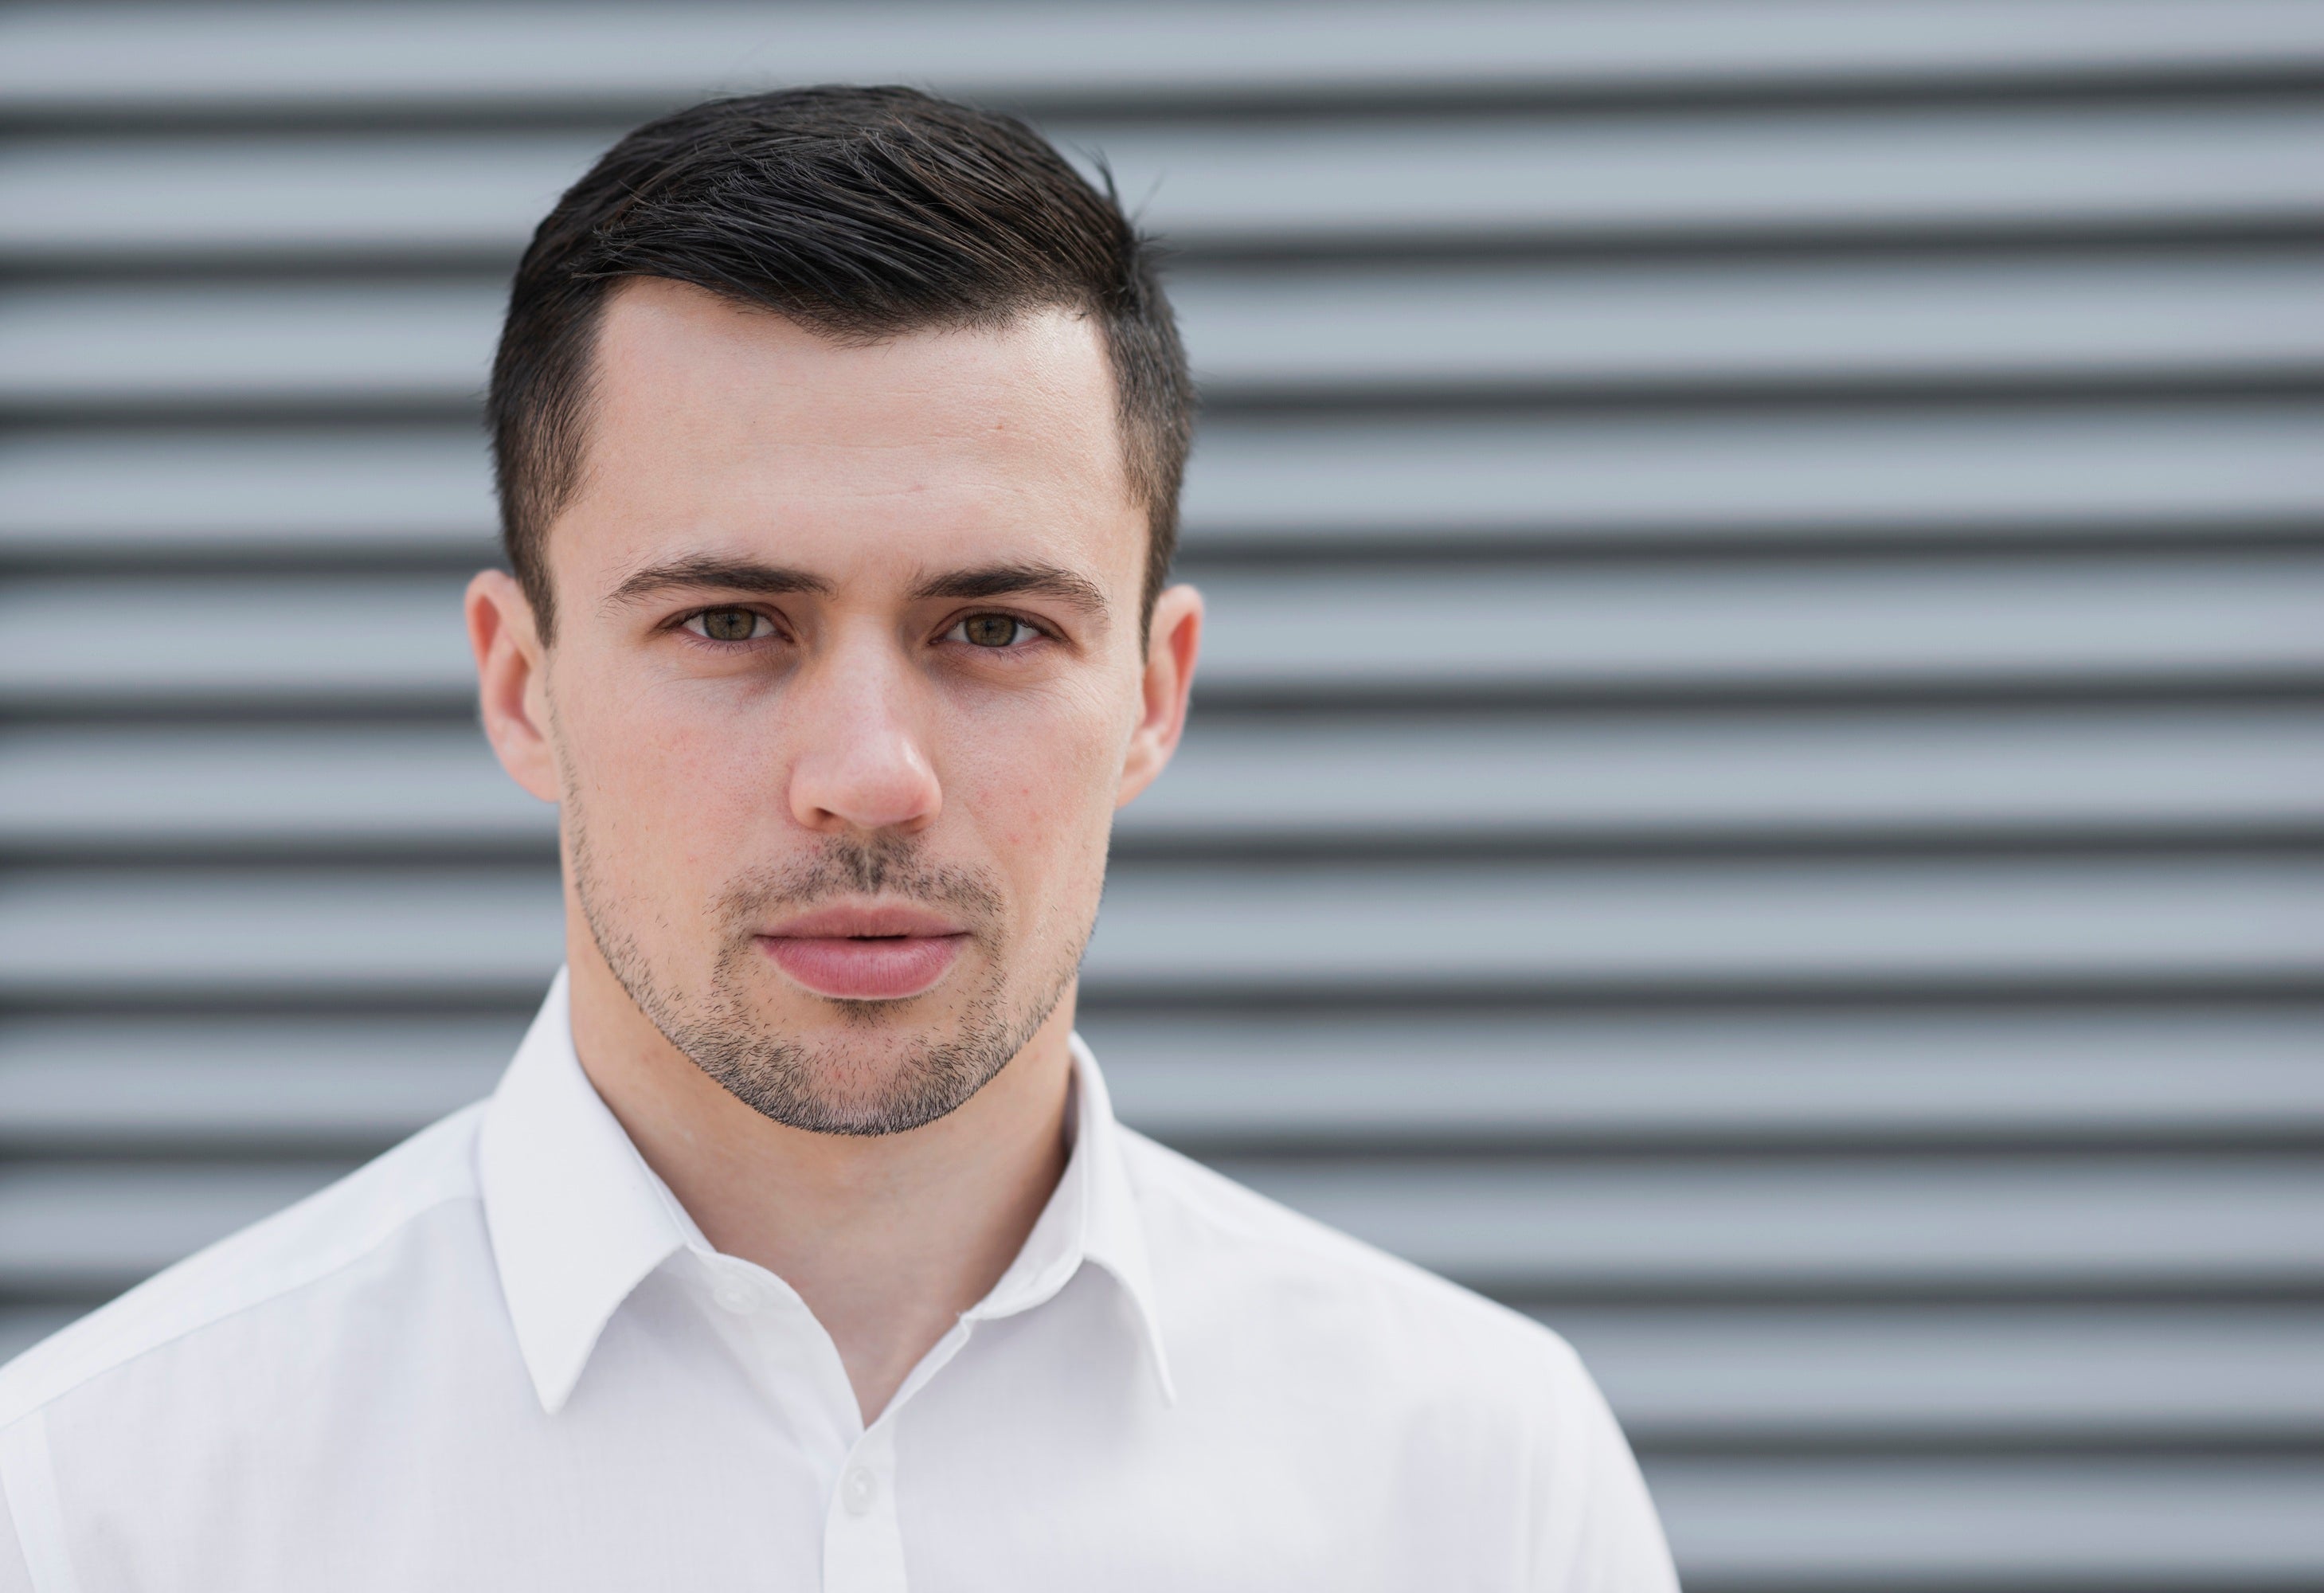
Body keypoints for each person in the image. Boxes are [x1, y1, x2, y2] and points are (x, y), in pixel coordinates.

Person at [0, 87, 1676, 1591]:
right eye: (731, 623)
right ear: (522, 686)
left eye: (995, 628)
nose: (870, 777)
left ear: (1154, 695)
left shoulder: (1477, 1483)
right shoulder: (104, 1501)